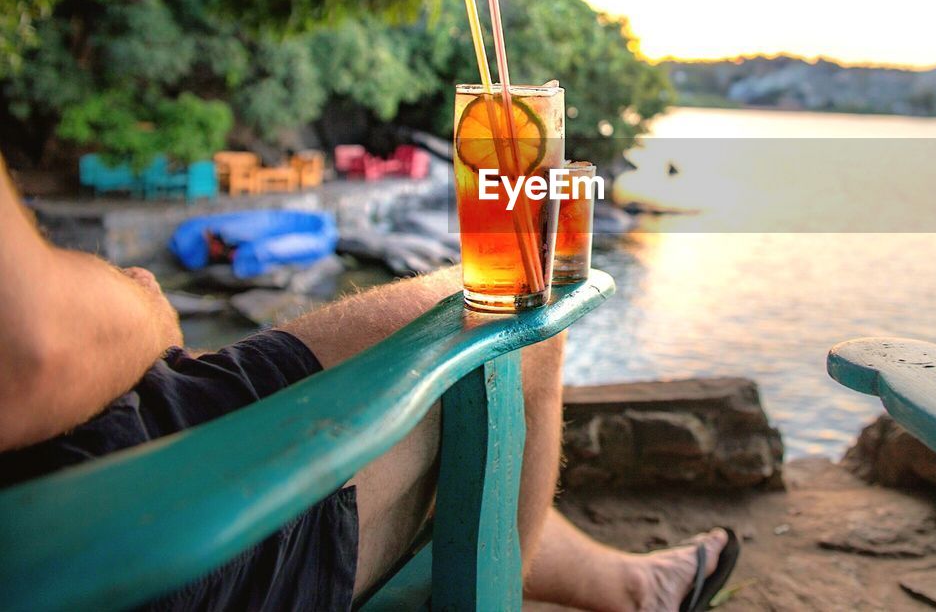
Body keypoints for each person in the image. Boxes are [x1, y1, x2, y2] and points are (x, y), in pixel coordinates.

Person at [0, 153, 736, 611]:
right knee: (517, 327)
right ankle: (610, 593)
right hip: (130, 537)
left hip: (90, 473)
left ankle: (629, 588)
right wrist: (141, 307)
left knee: (462, 432)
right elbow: (34, 350)